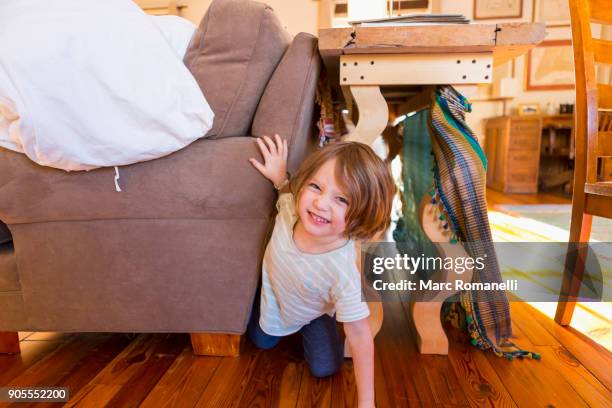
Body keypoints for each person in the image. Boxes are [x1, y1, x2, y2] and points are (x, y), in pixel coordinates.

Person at [248, 135, 395, 407]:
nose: (320, 204)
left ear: (362, 214)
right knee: (261, 342)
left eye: (341, 199)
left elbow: (360, 335)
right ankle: (270, 318)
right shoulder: (292, 209)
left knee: (325, 368)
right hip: (274, 300)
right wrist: (280, 178)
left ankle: (313, 328)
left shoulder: (342, 272)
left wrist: (367, 403)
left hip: (313, 313)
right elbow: (286, 193)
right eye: (315, 186)